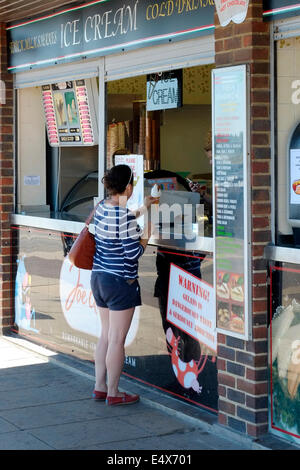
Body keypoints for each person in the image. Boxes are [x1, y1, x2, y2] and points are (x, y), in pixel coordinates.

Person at [90, 164, 156, 406]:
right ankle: (115, 393)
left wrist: (143, 209)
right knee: (117, 340)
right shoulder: (124, 215)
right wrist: (148, 232)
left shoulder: (101, 208)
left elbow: (118, 223)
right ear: (128, 187)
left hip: (99, 279)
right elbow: (133, 253)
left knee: (106, 335)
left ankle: (100, 386)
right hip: (120, 282)